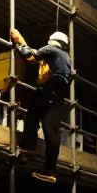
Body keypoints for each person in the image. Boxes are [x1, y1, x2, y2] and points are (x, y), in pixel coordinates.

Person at [9, 28, 72, 183]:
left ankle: (26, 151)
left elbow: (29, 55)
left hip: (49, 89)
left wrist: (18, 41)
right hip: (59, 95)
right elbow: (36, 60)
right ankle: (51, 170)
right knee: (51, 131)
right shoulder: (63, 56)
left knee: (31, 116)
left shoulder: (51, 49)